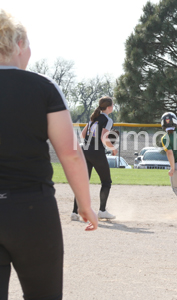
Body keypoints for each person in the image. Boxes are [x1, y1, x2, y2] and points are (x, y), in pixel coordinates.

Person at [0, 9, 98, 300]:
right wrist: (85, 203)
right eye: (27, 45)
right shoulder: (43, 87)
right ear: (18, 45)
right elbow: (70, 154)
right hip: (30, 208)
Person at [71, 96, 118, 220]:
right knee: (106, 182)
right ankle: (102, 211)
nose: (113, 107)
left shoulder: (93, 118)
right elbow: (103, 138)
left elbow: (82, 134)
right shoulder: (107, 119)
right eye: (112, 105)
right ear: (108, 107)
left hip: (84, 150)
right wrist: (113, 148)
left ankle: (75, 212)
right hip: (96, 152)